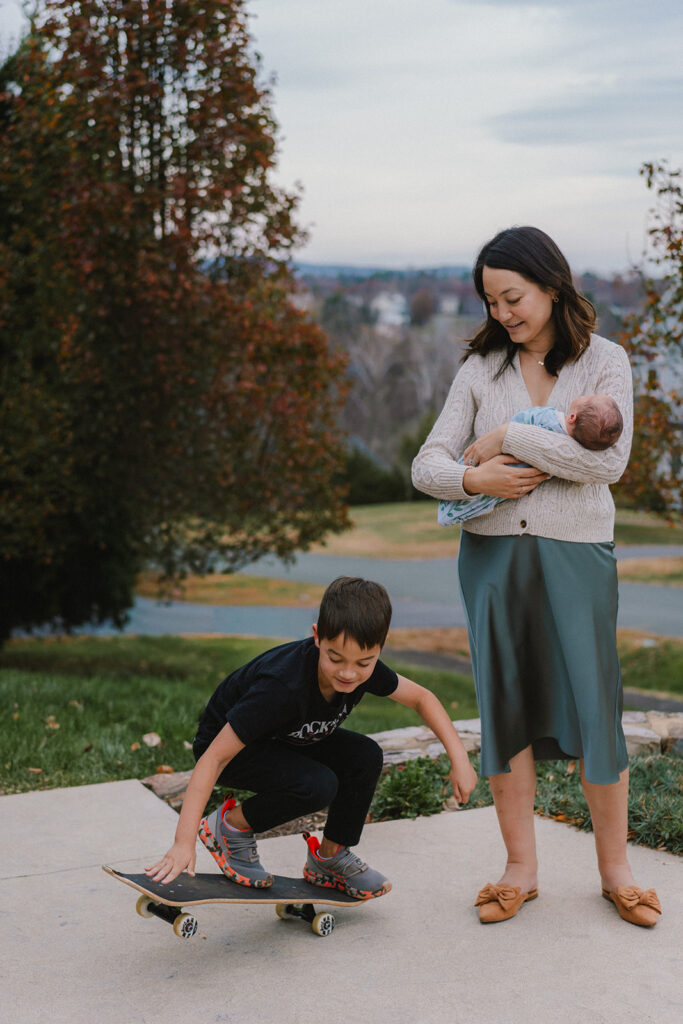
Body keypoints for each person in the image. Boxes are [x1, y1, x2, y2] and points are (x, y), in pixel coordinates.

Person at [412, 226, 662, 927]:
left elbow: (606, 464)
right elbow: (425, 465)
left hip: (577, 557)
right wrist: (473, 472)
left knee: (593, 706)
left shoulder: (606, 362)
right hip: (490, 559)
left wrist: (509, 438)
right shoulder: (479, 372)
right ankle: (518, 869)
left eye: (512, 297)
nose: (502, 313)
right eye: (491, 301)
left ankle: (615, 871)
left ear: (551, 285)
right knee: (505, 705)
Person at [146, 576, 478, 897]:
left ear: (380, 648)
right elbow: (214, 757)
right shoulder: (281, 688)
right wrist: (182, 842)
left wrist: (459, 759)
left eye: (364, 662)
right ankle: (230, 826)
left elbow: (423, 698)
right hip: (233, 750)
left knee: (365, 756)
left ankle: (329, 859)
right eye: (335, 658)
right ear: (317, 636)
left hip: (288, 738)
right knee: (317, 784)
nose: (348, 674)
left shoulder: (364, 669)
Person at [438, 394, 623, 525]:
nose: (586, 395)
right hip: (512, 483)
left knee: (474, 465)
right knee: (487, 500)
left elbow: (521, 420)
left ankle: (450, 509)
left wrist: (508, 435)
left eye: (588, 398)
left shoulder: (547, 417)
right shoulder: (571, 450)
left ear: (572, 417)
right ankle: (454, 511)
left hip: (500, 469)